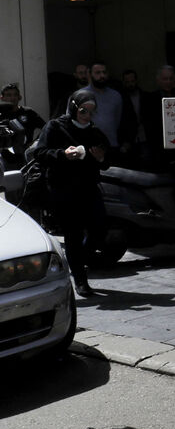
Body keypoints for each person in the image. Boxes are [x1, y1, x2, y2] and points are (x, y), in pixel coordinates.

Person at [31, 90, 110, 297]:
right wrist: (63, 154)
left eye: (92, 111)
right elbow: (40, 153)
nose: (87, 115)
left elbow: (108, 158)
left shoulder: (94, 131)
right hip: (63, 189)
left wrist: (101, 158)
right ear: (74, 108)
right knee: (73, 234)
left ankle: (77, 261)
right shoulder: (56, 126)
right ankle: (80, 279)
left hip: (89, 188)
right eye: (84, 110)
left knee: (99, 228)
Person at [75, 62, 131, 157]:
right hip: (89, 148)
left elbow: (118, 120)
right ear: (90, 74)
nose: (102, 76)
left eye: (104, 72)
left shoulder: (116, 96)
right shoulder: (80, 95)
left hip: (112, 146)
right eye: (98, 73)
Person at [0, 82, 46, 153]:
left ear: (19, 97)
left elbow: (46, 128)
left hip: (25, 152)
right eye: (9, 95)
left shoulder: (28, 112)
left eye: (15, 95)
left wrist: (35, 143)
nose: (13, 98)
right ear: (2, 98)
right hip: (4, 154)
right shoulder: (1, 114)